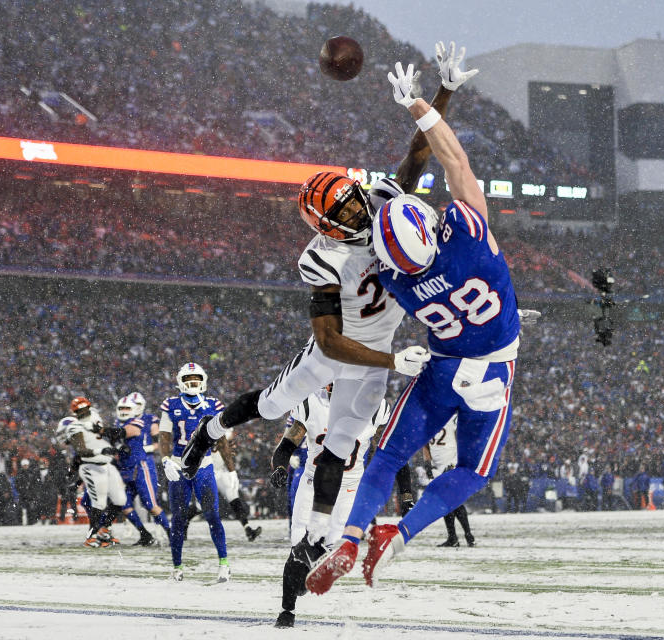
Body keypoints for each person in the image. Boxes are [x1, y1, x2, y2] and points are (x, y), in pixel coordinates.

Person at [179, 57, 468, 573]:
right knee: (271, 406)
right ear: (325, 227)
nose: (360, 213)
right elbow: (332, 343)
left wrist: (440, 94)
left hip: (380, 355)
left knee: (342, 443)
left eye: (357, 203)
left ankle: (314, 537)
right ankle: (212, 426)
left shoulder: (382, 202)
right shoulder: (322, 258)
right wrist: (390, 360)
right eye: (346, 214)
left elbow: (419, 153)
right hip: (339, 354)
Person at [306, 42, 521, 594]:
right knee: (473, 471)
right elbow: (452, 161)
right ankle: (398, 537)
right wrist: (425, 103)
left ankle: (352, 534)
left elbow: (385, 236)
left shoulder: (394, 276)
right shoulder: (468, 236)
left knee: (389, 455)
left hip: (441, 365)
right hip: (492, 364)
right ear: (429, 226)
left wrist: (433, 98)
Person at [269, 384, 390, 627]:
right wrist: (281, 467)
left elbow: (387, 452)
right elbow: (285, 446)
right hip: (314, 483)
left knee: (332, 549)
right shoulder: (312, 402)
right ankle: (287, 610)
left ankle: (304, 577)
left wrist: (400, 489)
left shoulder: (374, 406)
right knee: (298, 548)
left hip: (349, 488)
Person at [159, 363, 230, 582]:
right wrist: (165, 460)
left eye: (197, 378)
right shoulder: (170, 404)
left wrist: (232, 470)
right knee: (178, 519)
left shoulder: (213, 404)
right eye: (188, 378)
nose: (193, 382)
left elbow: (222, 440)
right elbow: (164, 436)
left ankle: (224, 564)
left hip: (203, 466)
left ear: (204, 380)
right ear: (180, 381)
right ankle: (177, 566)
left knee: (212, 515)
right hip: (178, 466)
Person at [59, 396, 127, 547]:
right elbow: (81, 451)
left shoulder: (95, 416)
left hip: (107, 464)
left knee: (120, 499)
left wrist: (113, 440)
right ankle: (91, 536)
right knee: (99, 503)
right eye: (79, 410)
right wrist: (101, 449)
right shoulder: (74, 427)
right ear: (75, 412)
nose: (83, 412)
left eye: (84, 408)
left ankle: (103, 530)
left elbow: (104, 435)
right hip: (91, 466)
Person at [114, 392, 171, 545]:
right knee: (123, 503)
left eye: (137, 405)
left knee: (150, 503)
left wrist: (144, 449)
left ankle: (170, 532)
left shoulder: (149, 419)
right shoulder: (120, 421)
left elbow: (159, 442)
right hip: (126, 466)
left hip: (144, 462)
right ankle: (144, 534)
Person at [423, 414, 475, 548]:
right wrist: (427, 462)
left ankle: (464, 536)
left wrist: (458, 461)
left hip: (451, 462)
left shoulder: (451, 416)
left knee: (453, 500)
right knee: (446, 501)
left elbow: (462, 437)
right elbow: (425, 445)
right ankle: (456, 537)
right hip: (438, 466)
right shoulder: (428, 420)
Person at [211, 430, 263, 542]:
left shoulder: (219, 426)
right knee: (201, 505)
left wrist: (231, 470)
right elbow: (226, 443)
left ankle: (248, 529)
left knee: (234, 498)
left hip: (220, 470)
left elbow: (229, 444)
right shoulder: (210, 426)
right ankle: (184, 524)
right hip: (206, 471)